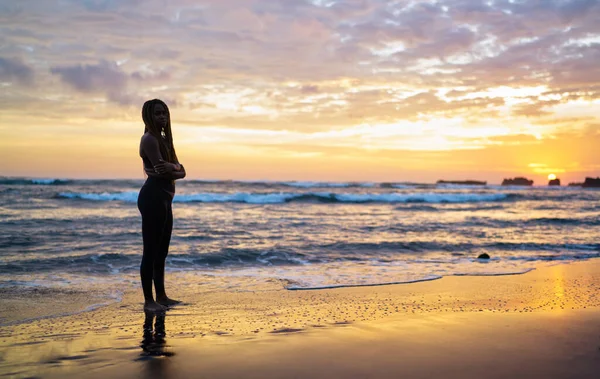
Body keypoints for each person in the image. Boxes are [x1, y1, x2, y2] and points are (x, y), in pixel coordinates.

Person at [137, 99, 186, 312]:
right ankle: (149, 301)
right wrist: (174, 168)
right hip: (153, 197)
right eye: (157, 113)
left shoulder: (165, 141)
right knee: (150, 251)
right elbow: (162, 171)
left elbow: (182, 172)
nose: (162, 117)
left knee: (162, 251)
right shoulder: (149, 139)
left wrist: (173, 167)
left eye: (164, 113)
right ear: (148, 116)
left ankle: (162, 296)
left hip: (165, 198)